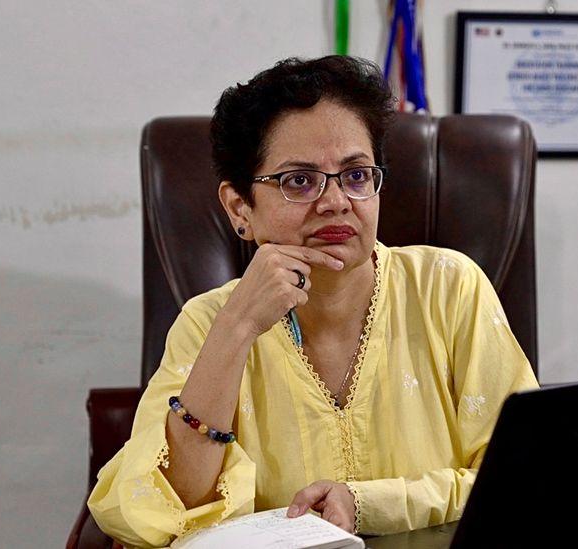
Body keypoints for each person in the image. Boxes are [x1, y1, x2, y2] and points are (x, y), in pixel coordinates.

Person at [87, 55, 538, 548]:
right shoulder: (208, 321)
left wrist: (370, 503)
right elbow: (160, 515)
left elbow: (528, 478)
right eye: (298, 180)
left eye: (356, 175)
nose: (336, 201)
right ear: (241, 209)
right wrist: (237, 327)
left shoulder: (448, 289)